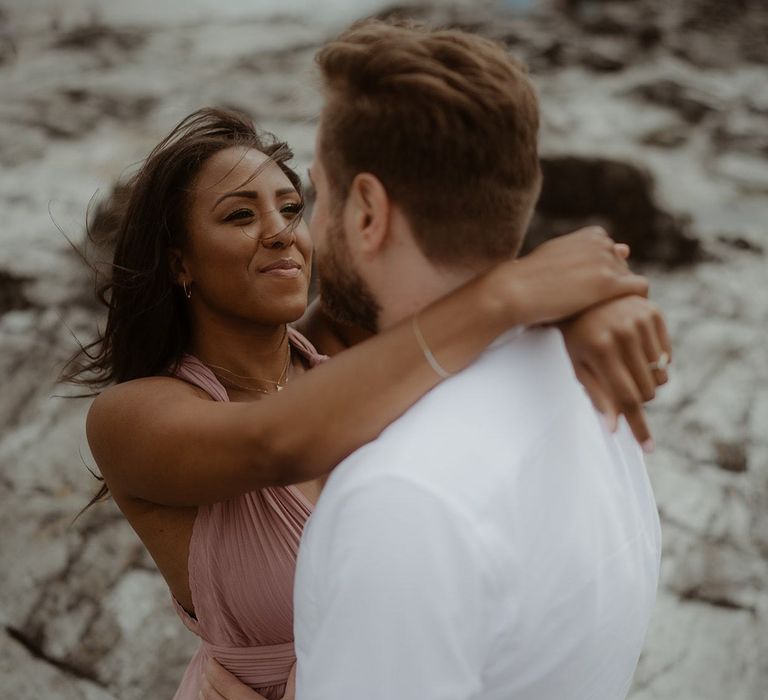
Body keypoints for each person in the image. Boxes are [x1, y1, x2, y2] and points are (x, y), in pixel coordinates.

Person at [75, 101, 667, 700]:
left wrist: (596, 312)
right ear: (180, 263)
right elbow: (272, 441)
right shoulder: (131, 417)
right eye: (238, 216)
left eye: (290, 208)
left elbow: (567, 261)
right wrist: (508, 296)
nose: (281, 231)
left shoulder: (341, 344)